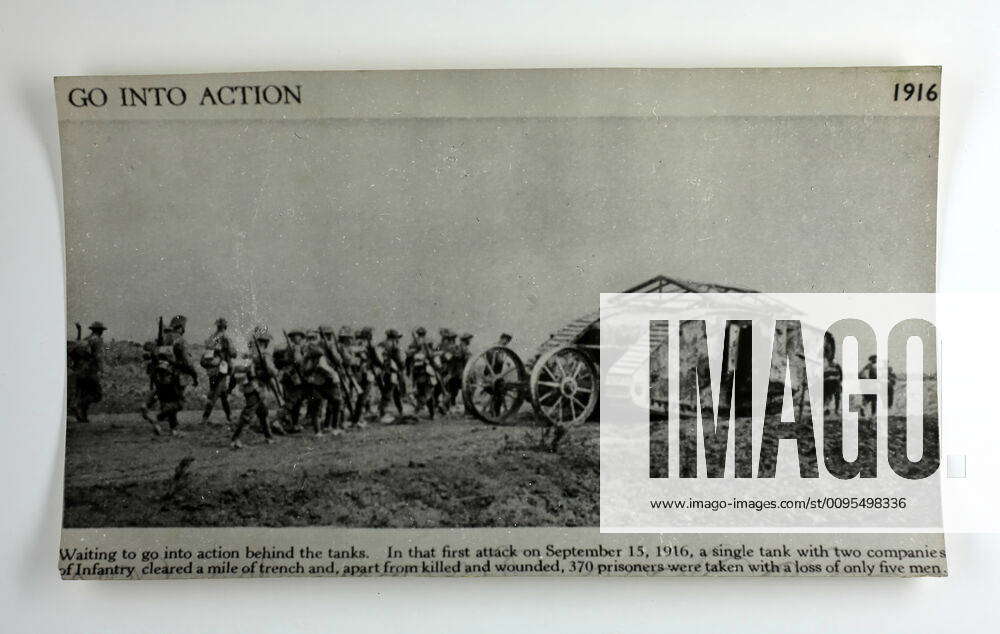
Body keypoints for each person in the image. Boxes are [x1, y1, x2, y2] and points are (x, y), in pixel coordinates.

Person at [231, 328, 278, 449]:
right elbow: (271, 370)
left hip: (249, 386)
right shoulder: (264, 355)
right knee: (249, 413)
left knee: (262, 412)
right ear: (265, 342)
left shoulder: (250, 354)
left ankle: (269, 437)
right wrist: (275, 372)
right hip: (257, 387)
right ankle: (236, 439)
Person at [151, 315, 199, 436]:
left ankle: (174, 429)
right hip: (175, 376)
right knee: (179, 403)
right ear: (180, 327)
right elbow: (187, 362)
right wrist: (194, 375)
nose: (184, 330)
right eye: (183, 327)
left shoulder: (164, 339)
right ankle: (157, 418)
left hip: (161, 375)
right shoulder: (180, 340)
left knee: (170, 401)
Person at [200, 317, 235, 425]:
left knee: (222, 394)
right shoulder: (225, 337)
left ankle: (229, 417)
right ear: (225, 326)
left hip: (212, 369)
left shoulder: (212, 337)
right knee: (215, 393)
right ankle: (204, 419)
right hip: (221, 369)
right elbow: (233, 353)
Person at [71, 321, 107, 423]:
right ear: (99, 331)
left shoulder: (87, 339)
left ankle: (83, 416)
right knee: (97, 394)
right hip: (90, 370)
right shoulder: (97, 340)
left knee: (84, 392)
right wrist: (102, 370)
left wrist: (79, 330)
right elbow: (98, 356)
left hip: (79, 370)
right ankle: (78, 405)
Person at [274, 327, 307, 433]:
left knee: (297, 401)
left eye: (300, 336)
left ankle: (295, 424)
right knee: (292, 401)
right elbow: (298, 361)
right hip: (293, 377)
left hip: (290, 377)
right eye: (298, 336)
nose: (299, 338)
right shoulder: (295, 347)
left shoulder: (288, 347)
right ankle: (277, 421)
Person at [376, 328, 406, 421]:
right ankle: (383, 413)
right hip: (392, 371)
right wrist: (402, 365)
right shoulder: (394, 345)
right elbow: (399, 359)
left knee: (393, 391)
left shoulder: (381, 344)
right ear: (394, 337)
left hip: (383, 371)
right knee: (389, 392)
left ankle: (400, 410)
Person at [351, 326, 378, 424]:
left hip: (358, 373)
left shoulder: (356, 344)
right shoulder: (368, 344)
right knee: (363, 396)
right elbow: (374, 358)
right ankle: (359, 418)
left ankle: (357, 417)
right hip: (365, 372)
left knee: (360, 397)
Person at [861, 354, 878, 419]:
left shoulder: (867, 366)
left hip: (868, 385)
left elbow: (862, 374)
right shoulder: (871, 366)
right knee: (874, 400)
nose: (876, 360)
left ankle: (863, 407)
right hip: (872, 385)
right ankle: (873, 414)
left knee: (867, 399)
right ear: (872, 359)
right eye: (875, 358)